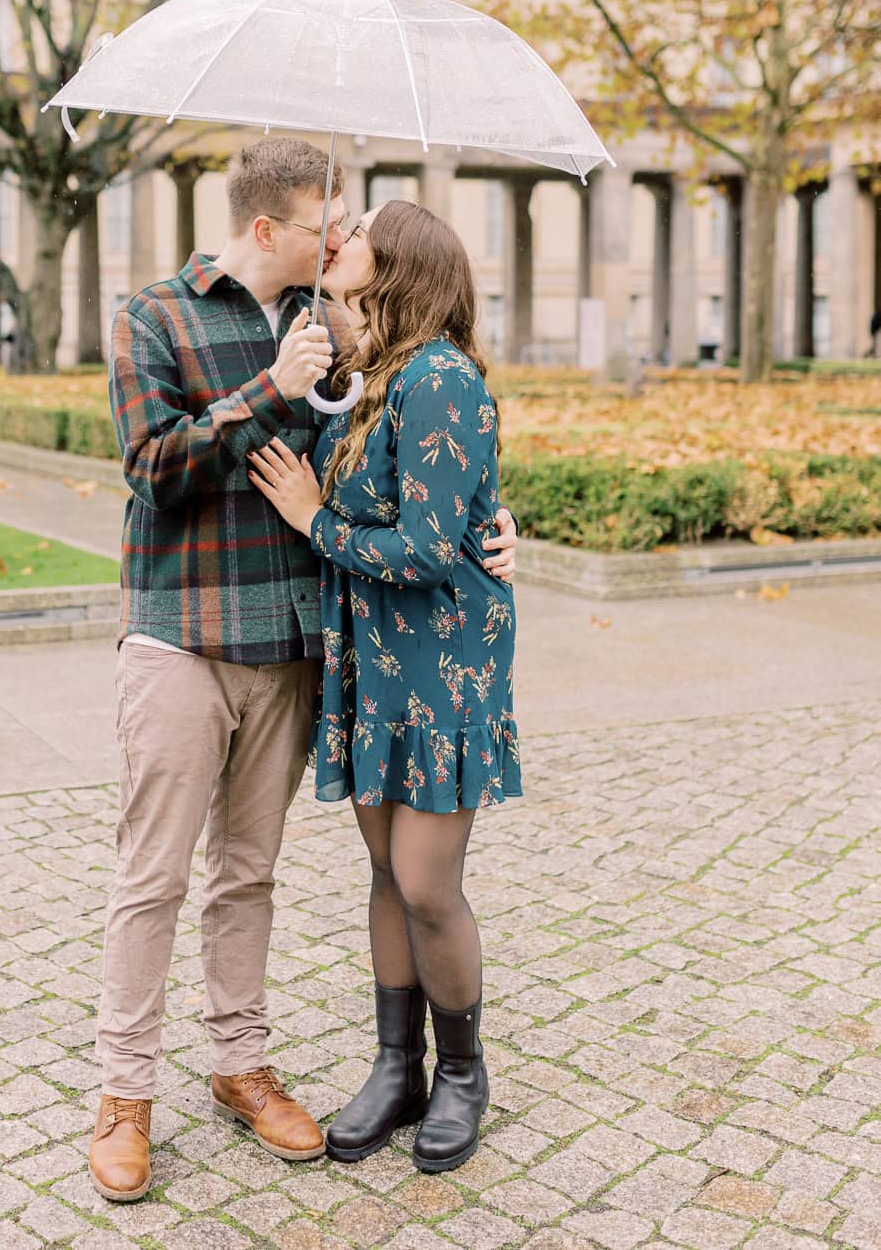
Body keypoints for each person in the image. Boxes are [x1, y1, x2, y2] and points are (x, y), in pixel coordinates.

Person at [89, 139, 519, 1203]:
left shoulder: (342, 339)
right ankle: (123, 1098)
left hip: (298, 650)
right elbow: (151, 473)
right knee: (153, 878)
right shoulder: (156, 317)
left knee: (251, 876)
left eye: (354, 234)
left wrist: (494, 527)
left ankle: (246, 1065)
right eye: (330, 226)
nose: (342, 241)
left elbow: (418, 472)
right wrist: (259, 392)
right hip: (183, 636)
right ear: (270, 228)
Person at [249, 198, 520, 1176]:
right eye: (334, 292)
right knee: (381, 874)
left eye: (355, 292)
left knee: (424, 882)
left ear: (402, 287)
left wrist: (317, 521)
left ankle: (462, 1074)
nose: (339, 308)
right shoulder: (368, 383)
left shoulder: (439, 378)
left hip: (441, 657)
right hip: (369, 657)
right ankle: (396, 1065)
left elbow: (426, 546)